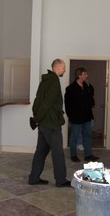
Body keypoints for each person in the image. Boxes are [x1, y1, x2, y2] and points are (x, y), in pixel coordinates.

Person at [28, 59, 71, 187]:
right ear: (57, 68)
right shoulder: (53, 82)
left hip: (44, 124)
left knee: (41, 152)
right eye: (63, 68)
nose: (64, 70)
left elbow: (38, 101)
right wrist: (37, 119)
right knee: (58, 153)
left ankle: (34, 178)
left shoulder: (45, 81)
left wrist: (37, 119)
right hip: (51, 124)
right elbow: (47, 104)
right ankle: (61, 180)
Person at [65, 67, 99, 163]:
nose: (86, 76)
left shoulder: (87, 86)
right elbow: (68, 105)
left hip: (87, 116)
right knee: (74, 137)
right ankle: (73, 155)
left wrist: (91, 103)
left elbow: (91, 96)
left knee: (88, 135)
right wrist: (71, 117)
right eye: (84, 74)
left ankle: (88, 155)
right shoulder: (70, 89)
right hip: (76, 118)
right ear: (79, 75)